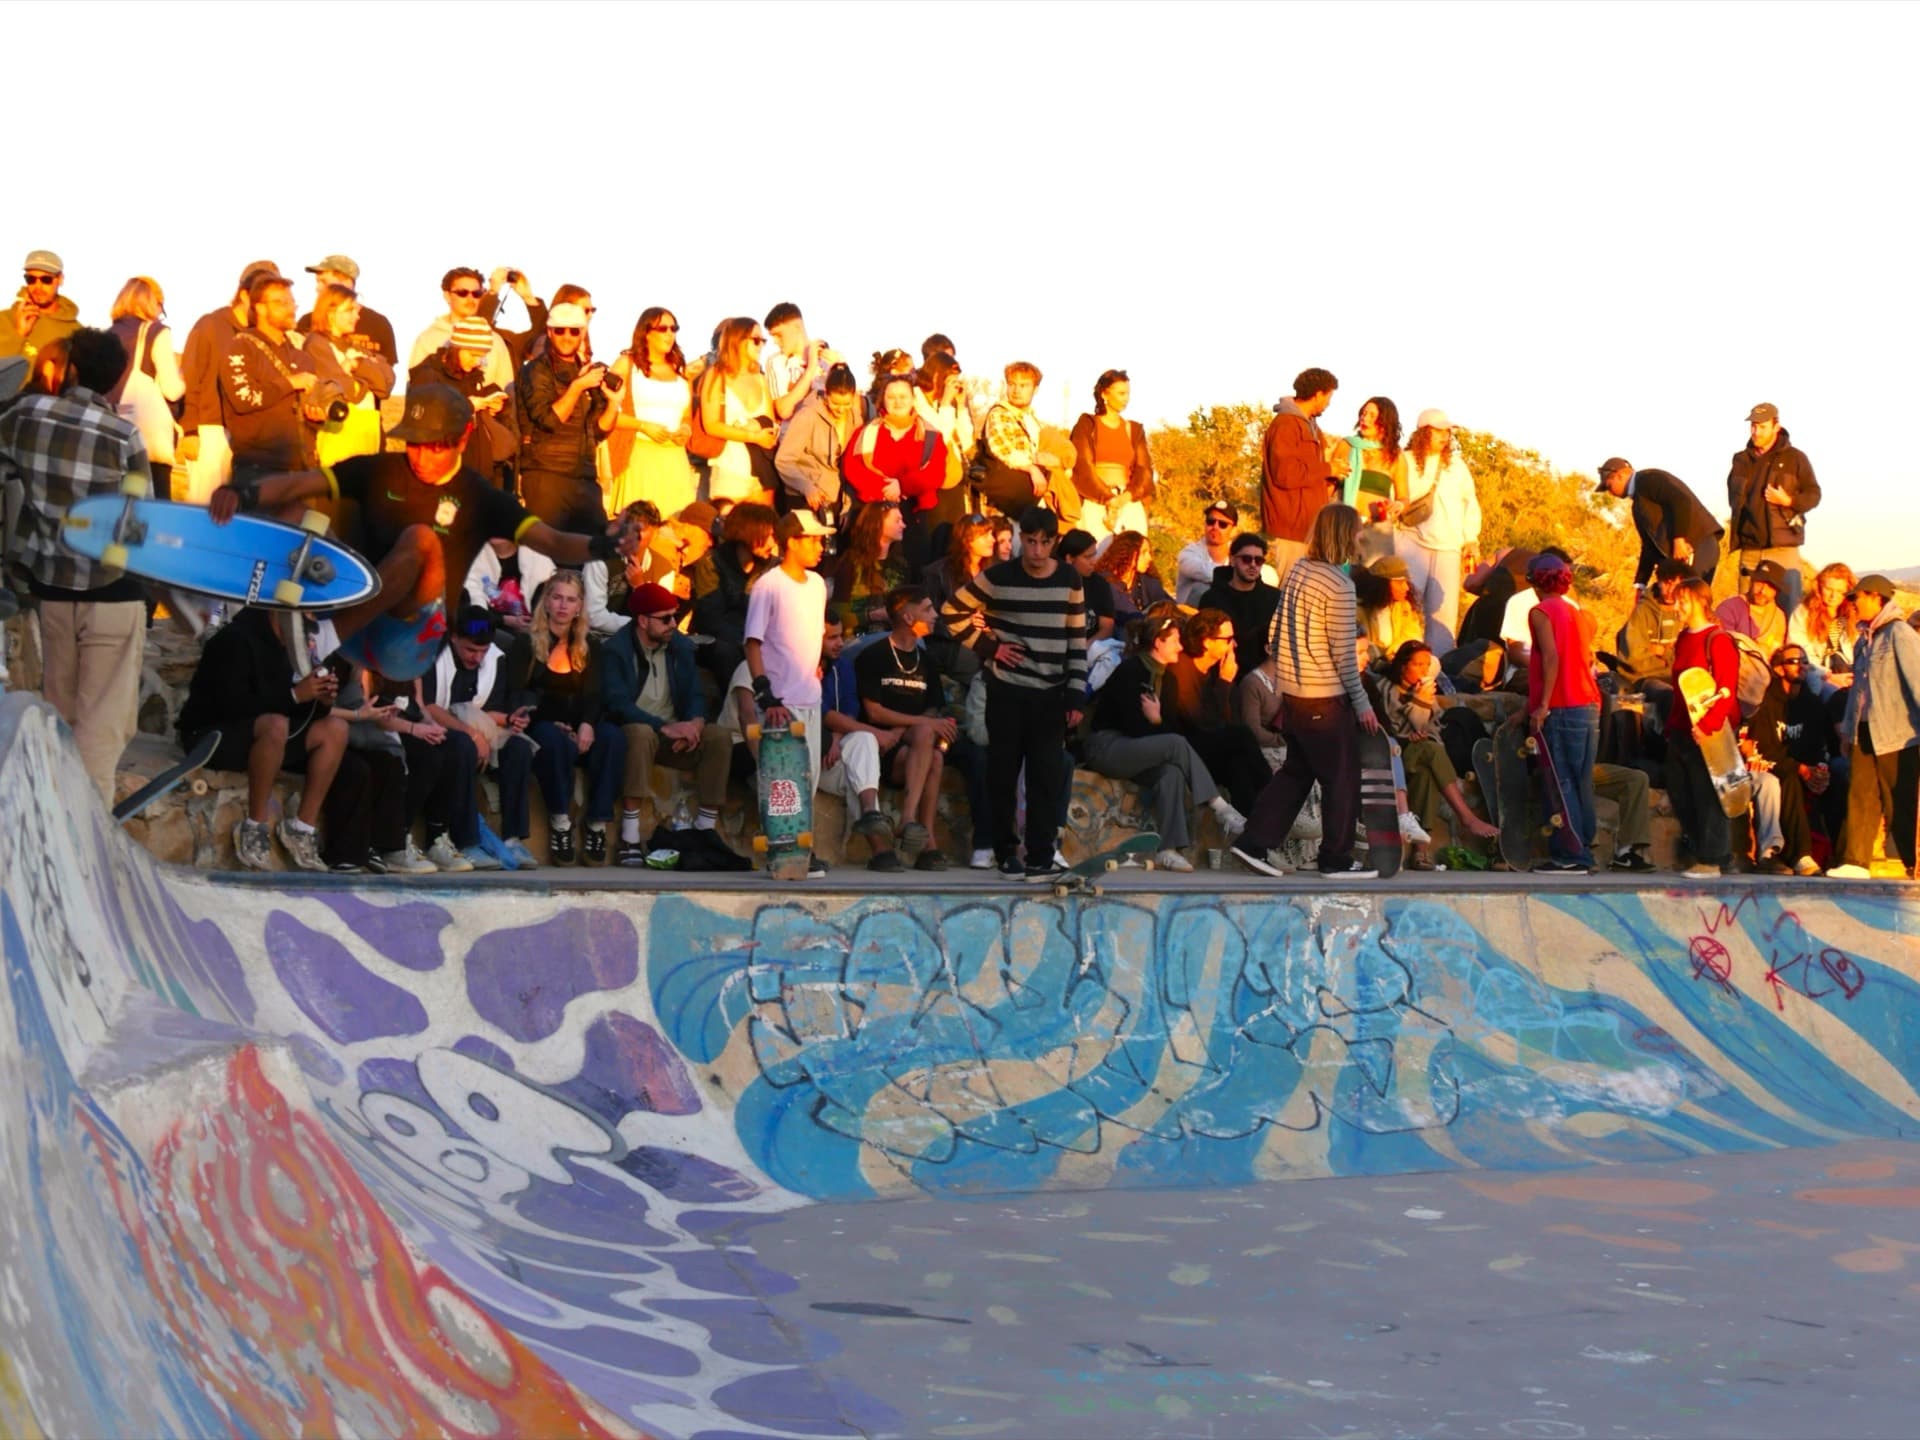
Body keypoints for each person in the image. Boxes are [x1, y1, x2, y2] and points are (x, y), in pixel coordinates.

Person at [213, 384, 632, 683]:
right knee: (293, 508)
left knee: (421, 538)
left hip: (412, 639)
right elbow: (296, 484)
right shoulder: (379, 469)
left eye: (435, 446)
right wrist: (242, 492)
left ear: (463, 438)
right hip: (360, 618)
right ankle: (237, 605)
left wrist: (602, 544)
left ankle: (323, 636)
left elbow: (553, 542)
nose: (422, 456)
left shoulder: (480, 496)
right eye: (414, 444)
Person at [0, 327, 150, 803]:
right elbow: (141, 524)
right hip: (113, 594)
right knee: (101, 736)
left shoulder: (25, 415)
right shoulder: (124, 434)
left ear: (73, 370)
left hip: (52, 592)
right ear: (114, 381)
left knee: (60, 722)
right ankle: (88, 851)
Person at [1229, 504, 1380, 879]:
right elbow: (1344, 654)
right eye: (1357, 531)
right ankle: (1336, 859)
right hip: (1324, 697)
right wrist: (1362, 704)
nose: (1361, 537)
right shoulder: (1340, 584)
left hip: (1294, 694)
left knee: (1298, 772)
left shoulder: (1298, 571)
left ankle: (1253, 843)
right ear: (1345, 534)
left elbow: (1277, 630)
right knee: (1342, 779)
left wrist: (1286, 682)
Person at [941, 504, 1087, 878]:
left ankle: (1040, 855)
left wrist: (1075, 695)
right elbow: (952, 612)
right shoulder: (999, 576)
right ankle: (1006, 853)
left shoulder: (1070, 579)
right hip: (1006, 690)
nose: (1036, 551)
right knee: (1002, 775)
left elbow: (1076, 639)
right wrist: (990, 647)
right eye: (1030, 542)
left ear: (1054, 543)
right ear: (1021, 540)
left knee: (1045, 777)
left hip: (1051, 692)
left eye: (1044, 543)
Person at [174, 609, 345, 872]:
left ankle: (302, 829)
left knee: (335, 728)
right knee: (275, 726)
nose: (308, 633)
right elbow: (234, 706)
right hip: (211, 736)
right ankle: (254, 826)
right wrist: (295, 696)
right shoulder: (234, 640)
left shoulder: (288, 648)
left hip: (263, 736)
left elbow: (290, 708)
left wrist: (321, 700)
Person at [1085, 614, 1247, 872]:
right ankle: (1220, 806)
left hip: (1138, 751)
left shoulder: (1168, 679)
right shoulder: (1131, 670)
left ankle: (1168, 850)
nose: (1181, 647)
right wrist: (1156, 720)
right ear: (1158, 643)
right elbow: (1134, 728)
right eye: (1175, 641)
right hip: (1107, 746)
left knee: (1170, 773)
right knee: (1173, 743)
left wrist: (1158, 719)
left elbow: (1170, 727)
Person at [498, 571, 624, 865]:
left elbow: (594, 695)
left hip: (580, 725)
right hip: (544, 724)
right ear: (547, 602)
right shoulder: (526, 643)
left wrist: (587, 725)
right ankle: (560, 823)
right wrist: (550, 720)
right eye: (557, 598)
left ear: (580, 605)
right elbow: (518, 693)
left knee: (613, 738)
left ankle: (596, 822)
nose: (563, 606)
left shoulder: (590, 645)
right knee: (553, 740)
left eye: (570, 600)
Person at [603, 582, 732, 864]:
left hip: (675, 734)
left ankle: (705, 831)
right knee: (639, 734)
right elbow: (617, 704)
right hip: (638, 731)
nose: (673, 624)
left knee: (719, 737)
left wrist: (694, 724)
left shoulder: (680, 646)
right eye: (665, 618)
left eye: (674, 616)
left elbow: (695, 695)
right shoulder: (617, 650)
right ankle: (629, 836)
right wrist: (664, 726)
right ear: (642, 620)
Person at [744, 511, 837, 876]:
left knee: (808, 779)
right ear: (792, 542)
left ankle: (802, 850)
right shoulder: (769, 585)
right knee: (783, 782)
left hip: (809, 696)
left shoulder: (817, 585)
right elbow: (753, 643)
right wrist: (766, 696)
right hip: (781, 701)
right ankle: (780, 854)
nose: (819, 546)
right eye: (812, 539)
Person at [852, 588, 956, 869]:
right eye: (927, 609)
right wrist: (903, 730)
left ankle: (913, 825)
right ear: (908, 617)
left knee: (935, 753)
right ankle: (924, 838)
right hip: (882, 747)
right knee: (926, 735)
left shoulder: (927, 660)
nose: (935, 615)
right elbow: (873, 711)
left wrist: (921, 724)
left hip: (914, 749)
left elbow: (933, 707)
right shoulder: (874, 655)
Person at [1516, 554, 1604, 873]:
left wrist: (1542, 706)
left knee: (1560, 779)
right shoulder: (1577, 612)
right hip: (1588, 704)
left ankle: (1570, 854)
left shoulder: (1540, 612)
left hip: (1563, 706)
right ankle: (1585, 845)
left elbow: (1551, 660)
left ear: (1536, 582)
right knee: (1581, 781)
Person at [411, 606, 518, 870]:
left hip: (476, 725)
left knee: (518, 749)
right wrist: (471, 733)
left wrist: (510, 719)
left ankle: (513, 839)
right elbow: (430, 705)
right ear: (455, 638)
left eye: (483, 651)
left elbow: (492, 709)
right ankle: (462, 839)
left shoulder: (495, 659)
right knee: (462, 748)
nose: (477, 658)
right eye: (471, 650)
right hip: (430, 725)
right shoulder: (435, 653)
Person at [1828, 575, 1920, 880]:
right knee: (1860, 794)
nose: (1853, 604)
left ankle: (1907, 861)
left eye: (1858, 598)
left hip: (1898, 731)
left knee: (1899, 799)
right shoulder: (1864, 640)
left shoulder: (1900, 633)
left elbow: (1917, 682)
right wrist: (1847, 730)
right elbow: (1858, 691)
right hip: (1864, 730)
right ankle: (1856, 861)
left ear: (1876, 597)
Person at [1379, 641, 1501, 868]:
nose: (1423, 670)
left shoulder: (1425, 688)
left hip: (1420, 755)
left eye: (1427, 664)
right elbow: (1405, 727)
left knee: (1427, 773)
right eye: (1417, 664)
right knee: (1431, 750)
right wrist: (1420, 701)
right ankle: (1467, 817)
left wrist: (1423, 703)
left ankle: (1421, 850)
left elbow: (1429, 728)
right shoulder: (1387, 690)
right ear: (1403, 666)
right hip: (1393, 755)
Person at [518, 302, 626, 533]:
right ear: (549, 332)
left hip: (584, 476)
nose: (567, 336)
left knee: (594, 552)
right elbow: (548, 419)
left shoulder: (589, 372)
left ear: (582, 333)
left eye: (574, 330)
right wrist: (577, 386)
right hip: (546, 474)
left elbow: (599, 431)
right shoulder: (536, 370)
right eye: (560, 330)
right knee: (545, 557)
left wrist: (614, 403)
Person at [178, 260, 278, 502]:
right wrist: (190, 430)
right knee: (204, 505)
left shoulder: (262, 337)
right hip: (210, 430)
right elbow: (191, 376)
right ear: (244, 295)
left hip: (244, 437)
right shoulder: (211, 325)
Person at [221, 273, 335, 476]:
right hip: (258, 469)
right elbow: (244, 399)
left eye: (292, 302)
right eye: (281, 302)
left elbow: (306, 416)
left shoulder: (302, 358)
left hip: (302, 468)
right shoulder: (241, 346)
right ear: (260, 307)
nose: (290, 308)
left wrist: (315, 418)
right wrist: (290, 382)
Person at [1158, 609, 1270, 815]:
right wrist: (1224, 683)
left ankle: (1252, 836)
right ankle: (1274, 794)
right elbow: (1199, 722)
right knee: (1241, 736)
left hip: (1208, 747)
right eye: (1227, 639)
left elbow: (1227, 720)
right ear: (1207, 641)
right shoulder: (1181, 669)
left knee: (1238, 766)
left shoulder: (1215, 671)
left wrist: (1225, 683)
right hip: (1184, 748)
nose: (1233, 645)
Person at [1666, 578, 1742, 879]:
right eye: (1676, 600)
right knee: (1682, 792)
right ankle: (1703, 852)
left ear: (1701, 602)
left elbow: (1726, 690)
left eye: (1683, 600)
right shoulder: (1684, 638)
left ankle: (1712, 857)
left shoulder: (1718, 640)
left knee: (1709, 794)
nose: (1678, 607)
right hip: (1681, 730)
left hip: (1709, 733)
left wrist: (1707, 725)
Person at [1743, 643, 1836, 877]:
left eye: (1805, 661)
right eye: (1794, 661)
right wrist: (1800, 768)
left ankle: (1841, 857)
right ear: (1778, 668)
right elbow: (1764, 748)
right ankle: (1801, 856)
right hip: (1774, 767)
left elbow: (1818, 746)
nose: (1802, 666)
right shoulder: (1765, 702)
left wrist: (1819, 769)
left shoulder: (1812, 704)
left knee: (1841, 781)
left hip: (1803, 767)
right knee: (1790, 780)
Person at [1396, 409, 1481, 650]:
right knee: (1406, 608)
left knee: (1443, 613)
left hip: (1449, 547)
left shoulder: (1457, 465)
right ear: (1424, 433)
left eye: (1447, 432)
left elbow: (1470, 502)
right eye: (1438, 431)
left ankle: (1441, 669)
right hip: (1411, 542)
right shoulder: (1407, 460)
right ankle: (1402, 662)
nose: (1445, 437)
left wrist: (1470, 539)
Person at [601, 306, 696, 519]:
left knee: (675, 525)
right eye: (663, 328)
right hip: (639, 455)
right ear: (646, 332)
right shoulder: (627, 364)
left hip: (674, 457)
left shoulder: (680, 369)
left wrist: (685, 428)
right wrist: (643, 425)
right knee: (640, 529)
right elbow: (606, 413)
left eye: (674, 328)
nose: (670, 333)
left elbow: (686, 415)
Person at [1727, 403, 1818, 618]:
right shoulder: (1740, 460)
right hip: (1750, 549)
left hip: (1783, 548)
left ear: (1776, 426)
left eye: (1762, 426)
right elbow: (1734, 499)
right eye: (1753, 426)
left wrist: (1789, 501)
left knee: (1789, 612)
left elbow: (1814, 494)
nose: (1756, 432)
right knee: (1746, 615)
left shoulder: (1796, 458)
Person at [408, 316, 519, 489]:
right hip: (443, 474)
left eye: (481, 357)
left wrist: (492, 407)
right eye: (472, 354)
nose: (476, 361)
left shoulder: (472, 376)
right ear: (456, 347)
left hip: (476, 472)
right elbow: (423, 421)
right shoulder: (427, 375)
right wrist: (468, 406)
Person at [1595, 458, 1723, 587]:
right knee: (1676, 600)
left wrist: (1679, 540)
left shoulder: (1648, 479)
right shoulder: (1638, 505)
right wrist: (1640, 583)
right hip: (1683, 555)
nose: (1610, 493)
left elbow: (1681, 501)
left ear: (1619, 475)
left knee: (1690, 599)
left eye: (1608, 486)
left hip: (1697, 544)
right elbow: (1649, 547)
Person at [303, 283, 395, 462]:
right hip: (337, 441)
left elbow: (386, 384)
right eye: (349, 310)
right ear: (330, 313)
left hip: (365, 440)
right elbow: (343, 389)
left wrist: (356, 365)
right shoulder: (316, 345)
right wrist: (367, 380)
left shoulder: (356, 349)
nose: (357, 315)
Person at [1260, 367, 1337, 577]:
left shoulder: (1309, 425)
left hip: (1308, 529)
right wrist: (1329, 468)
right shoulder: (1285, 425)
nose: (1329, 403)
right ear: (1318, 393)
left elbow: (1308, 473)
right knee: (1289, 592)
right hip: (1291, 529)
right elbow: (1285, 474)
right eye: (1328, 397)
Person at [104, 276, 186, 473]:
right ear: (151, 302)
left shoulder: (105, 335)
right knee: (149, 499)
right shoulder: (155, 332)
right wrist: (185, 378)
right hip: (144, 441)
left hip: (109, 433)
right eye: (160, 306)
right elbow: (172, 390)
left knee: (118, 500)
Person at [692, 501, 778, 685]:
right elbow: (711, 618)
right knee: (726, 652)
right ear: (747, 534)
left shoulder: (774, 567)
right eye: (767, 536)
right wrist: (748, 642)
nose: (772, 543)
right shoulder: (712, 563)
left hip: (759, 639)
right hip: (722, 641)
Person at [843, 375, 946, 524]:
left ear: (913, 399)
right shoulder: (866, 433)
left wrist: (902, 486)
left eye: (903, 397)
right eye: (891, 397)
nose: (898, 402)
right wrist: (884, 489)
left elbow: (936, 474)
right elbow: (852, 468)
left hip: (915, 513)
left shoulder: (931, 435)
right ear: (883, 399)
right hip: (875, 512)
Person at [1069, 370, 1154, 542]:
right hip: (1096, 501)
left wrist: (1126, 497)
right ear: (1104, 394)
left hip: (1127, 500)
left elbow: (1144, 469)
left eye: (1128, 393)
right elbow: (1082, 464)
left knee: (1133, 555)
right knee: (1096, 554)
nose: (1126, 398)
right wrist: (1108, 498)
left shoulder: (1134, 429)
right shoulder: (1088, 425)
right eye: (1121, 393)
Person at [977, 362, 1066, 519]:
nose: (1016, 390)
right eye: (1012, 384)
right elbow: (1003, 449)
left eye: (1023, 385)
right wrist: (1032, 469)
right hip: (1006, 501)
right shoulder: (1000, 413)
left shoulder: (1034, 421)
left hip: (1029, 498)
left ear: (1035, 389)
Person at [773, 360, 858, 520]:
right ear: (826, 393)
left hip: (837, 499)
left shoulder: (855, 418)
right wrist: (806, 487)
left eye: (846, 404)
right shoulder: (808, 415)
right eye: (835, 403)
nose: (841, 409)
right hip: (806, 498)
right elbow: (784, 460)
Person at [408, 267, 514, 388]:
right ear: (447, 296)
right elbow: (416, 390)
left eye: (476, 294)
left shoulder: (495, 341)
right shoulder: (427, 340)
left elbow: (507, 389)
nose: (470, 299)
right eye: (462, 293)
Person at [583, 499, 669, 634]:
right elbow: (594, 615)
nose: (637, 536)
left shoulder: (663, 568)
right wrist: (637, 626)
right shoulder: (600, 560)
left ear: (655, 532)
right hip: (598, 637)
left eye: (644, 530)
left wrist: (640, 588)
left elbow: (662, 617)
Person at [1338, 396, 1406, 561]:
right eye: (1363, 413)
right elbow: (1328, 486)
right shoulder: (1346, 445)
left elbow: (1404, 496)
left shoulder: (1395, 455)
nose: (1364, 418)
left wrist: (1399, 505)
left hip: (1377, 531)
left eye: (1372, 415)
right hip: (1344, 526)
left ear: (1385, 422)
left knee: (1375, 581)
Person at [912, 351, 975, 530]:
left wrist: (961, 406)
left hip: (951, 481)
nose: (953, 386)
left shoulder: (944, 404)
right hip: (928, 484)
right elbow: (938, 439)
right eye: (950, 381)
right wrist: (946, 403)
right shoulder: (915, 399)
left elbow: (966, 439)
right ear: (938, 376)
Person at [826, 501, 909, 634]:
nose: (903, 525)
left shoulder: (900, 565)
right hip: (856, 640)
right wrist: (871, 615)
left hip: (891, 638)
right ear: (878, 524)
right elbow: (837, 617)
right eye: (897, 521)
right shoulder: (851, 563)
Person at [297, 254, 398, 363]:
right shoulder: (306, 322)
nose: (317, 288)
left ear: (346, 283)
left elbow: (387, 372)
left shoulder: (378, 324)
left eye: (324, 282)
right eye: (317, 282)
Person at [1787, 561, 1858, 694]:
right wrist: (1827, 676)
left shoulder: (1853, 614)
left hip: (1850, 674)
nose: (1833, 596)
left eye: (1840, 592)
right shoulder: (1804, 613)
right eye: (1828, 589)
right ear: (1819, 587)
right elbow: (1800, 652)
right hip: (1817, 675)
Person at [1, 249, 79, 369]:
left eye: (46, 280)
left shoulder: (75, 332)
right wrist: (18, 335)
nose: (38, 286)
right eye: (31, 279)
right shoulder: (4, 319)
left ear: (60, 279)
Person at [764, 302, 835, 424]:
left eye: (778, 335)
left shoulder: (827, 357)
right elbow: (784, 410)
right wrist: (810, 370)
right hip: (794, 437)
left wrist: (842, 365)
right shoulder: (776, 362)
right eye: (773, 337)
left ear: (797, 327)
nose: (775, 342)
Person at [477, 267, 551, 374]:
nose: (471, 299)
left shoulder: (510, 342)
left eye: (476, 294)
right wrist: (493, 291)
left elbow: (543, 334)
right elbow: (479, 328)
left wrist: (529, 298)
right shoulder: (464, 337)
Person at [1094, 530, 1171, 624]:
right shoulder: (1106, 581)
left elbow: (1166, 602)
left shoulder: (1146, 580)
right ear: (1127, 553)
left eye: (1149, 552)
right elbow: (1129, 614)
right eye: (1144, 552)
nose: (1149, 558)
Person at [1717, 558, 1790, 657]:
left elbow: (1776, 654)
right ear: (1752, 581)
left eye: (1770, 587)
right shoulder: (1729, 608)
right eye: (1759, 583)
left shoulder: (1779, 618)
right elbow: (1722, 648)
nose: (1762, 591)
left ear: (1777, 591)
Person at [1175, 499, 1241, 604]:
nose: (1215, 527)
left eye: (1222, 524)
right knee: (1202, 588)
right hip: (1190, 617)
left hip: (1225, 617)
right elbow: (1207, 572)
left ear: (1234, 530)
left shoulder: (1239, 556)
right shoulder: (1189, 553)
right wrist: (1239, 576)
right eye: (1210, 521)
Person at [1362, 555, 1425, 662]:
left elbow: (1413, 635)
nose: (1406, 587)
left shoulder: (1404, 606)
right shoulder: (1359, 610)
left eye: (1406, 582)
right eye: (1400, 583)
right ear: (1383, 584)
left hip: (1398, 660)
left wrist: (1395, 653)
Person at [1058, 529, 1116, 644]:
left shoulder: (1099, 585)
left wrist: (1083, 649)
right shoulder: (1052, 582)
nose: (1093, 562)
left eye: (1094, 555)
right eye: (1087, 557)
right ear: (1069, 558)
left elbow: (1107, 627)